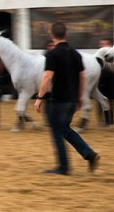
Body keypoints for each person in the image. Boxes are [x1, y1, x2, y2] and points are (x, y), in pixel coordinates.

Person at [34, 22, 100, 175]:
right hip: (72, 100)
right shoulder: (75, 54)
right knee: (65, 129)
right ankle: (89, 154)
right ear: (66, 34)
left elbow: (47, 77)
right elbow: (82, 77)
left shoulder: (52, 54)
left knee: (57, 131)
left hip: (58, 100)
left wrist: (39, 97)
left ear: (52, 35)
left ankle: (63, 167)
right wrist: (80, 97)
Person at [97, 38, 114, 126]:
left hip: (111, 82)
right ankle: (102, 121)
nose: (102, 46)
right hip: (101, 82)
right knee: (100, 102)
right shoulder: (97, 58)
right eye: (101, 44)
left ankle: (111, 121)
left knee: (110, 101)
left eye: (105, 44)